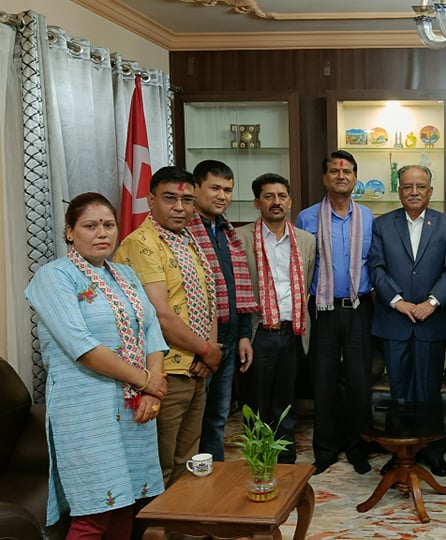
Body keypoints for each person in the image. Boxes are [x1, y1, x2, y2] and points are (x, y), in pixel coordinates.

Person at [26, 192, 168, 538]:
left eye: (108, 225)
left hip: (134, 407)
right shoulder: (54, 277)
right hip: (86, 410)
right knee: (94, 512)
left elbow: (151, 329)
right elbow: (83, 347)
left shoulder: (125, 274)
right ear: (70, 232)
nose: (102, 233)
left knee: (126, 503)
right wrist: (146, 381)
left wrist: (153, 391)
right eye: (90, 226)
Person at [114, 166, 221, 486]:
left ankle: (183, 515)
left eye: (187, 200)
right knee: (160, 463)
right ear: (151, 200)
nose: (179, 207)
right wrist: (206, 350)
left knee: (188, 460)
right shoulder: (142, 244)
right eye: (170, 198)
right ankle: (156, 519)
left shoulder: (188, 239)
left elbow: (209, 299)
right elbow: (160, 315)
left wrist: (207, 353)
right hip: (163, 373)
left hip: (195, 367)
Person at [368, 164, 446, 477]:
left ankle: (433, 452)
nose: (414, 192)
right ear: (399, 191)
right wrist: (398, 301)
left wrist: (431, 303)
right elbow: (376, 268)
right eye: (408, 186)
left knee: (429, 391)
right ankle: (399, 453)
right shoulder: (382, 224)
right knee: (400, 393)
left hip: (431, 321)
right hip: (394, 321)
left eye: (421, 186)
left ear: (430, 191)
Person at [296, 150, 375, 475]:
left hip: (359, 308)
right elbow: (300, 265)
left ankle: (358, 448)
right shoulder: (306, 218)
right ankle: (325, 450)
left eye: (347, 172)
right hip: (322, 309)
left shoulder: (368, 217)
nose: (341, 176)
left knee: (359, 380)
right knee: (324, 380)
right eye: (334, 171)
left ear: (355, 178)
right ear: (324, 178)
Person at [235, 173, 315, 464]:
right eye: (268, 196)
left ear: (290, 201)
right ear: (257, 203)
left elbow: (307, 284)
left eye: (282, 196)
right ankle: (259, 461)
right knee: (256, 403)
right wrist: (243, 335)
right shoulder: (240, 239)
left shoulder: (306, 241)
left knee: (286, 401)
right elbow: (237, 292)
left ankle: (285, 461)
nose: (276, 202)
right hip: (258, 333)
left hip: (292, 332)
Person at [188, 160, 257, 462]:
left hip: (228, 339)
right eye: (214, 188)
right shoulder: (185, 231)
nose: (222, 196)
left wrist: (243, 335)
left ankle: (213, 476)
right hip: (198, 345)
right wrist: (202, 347)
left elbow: (235, 288)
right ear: (195, 188)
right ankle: (189, 482)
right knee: (193, 421)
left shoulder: (226, 231)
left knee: (218, 417)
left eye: (227, 190)